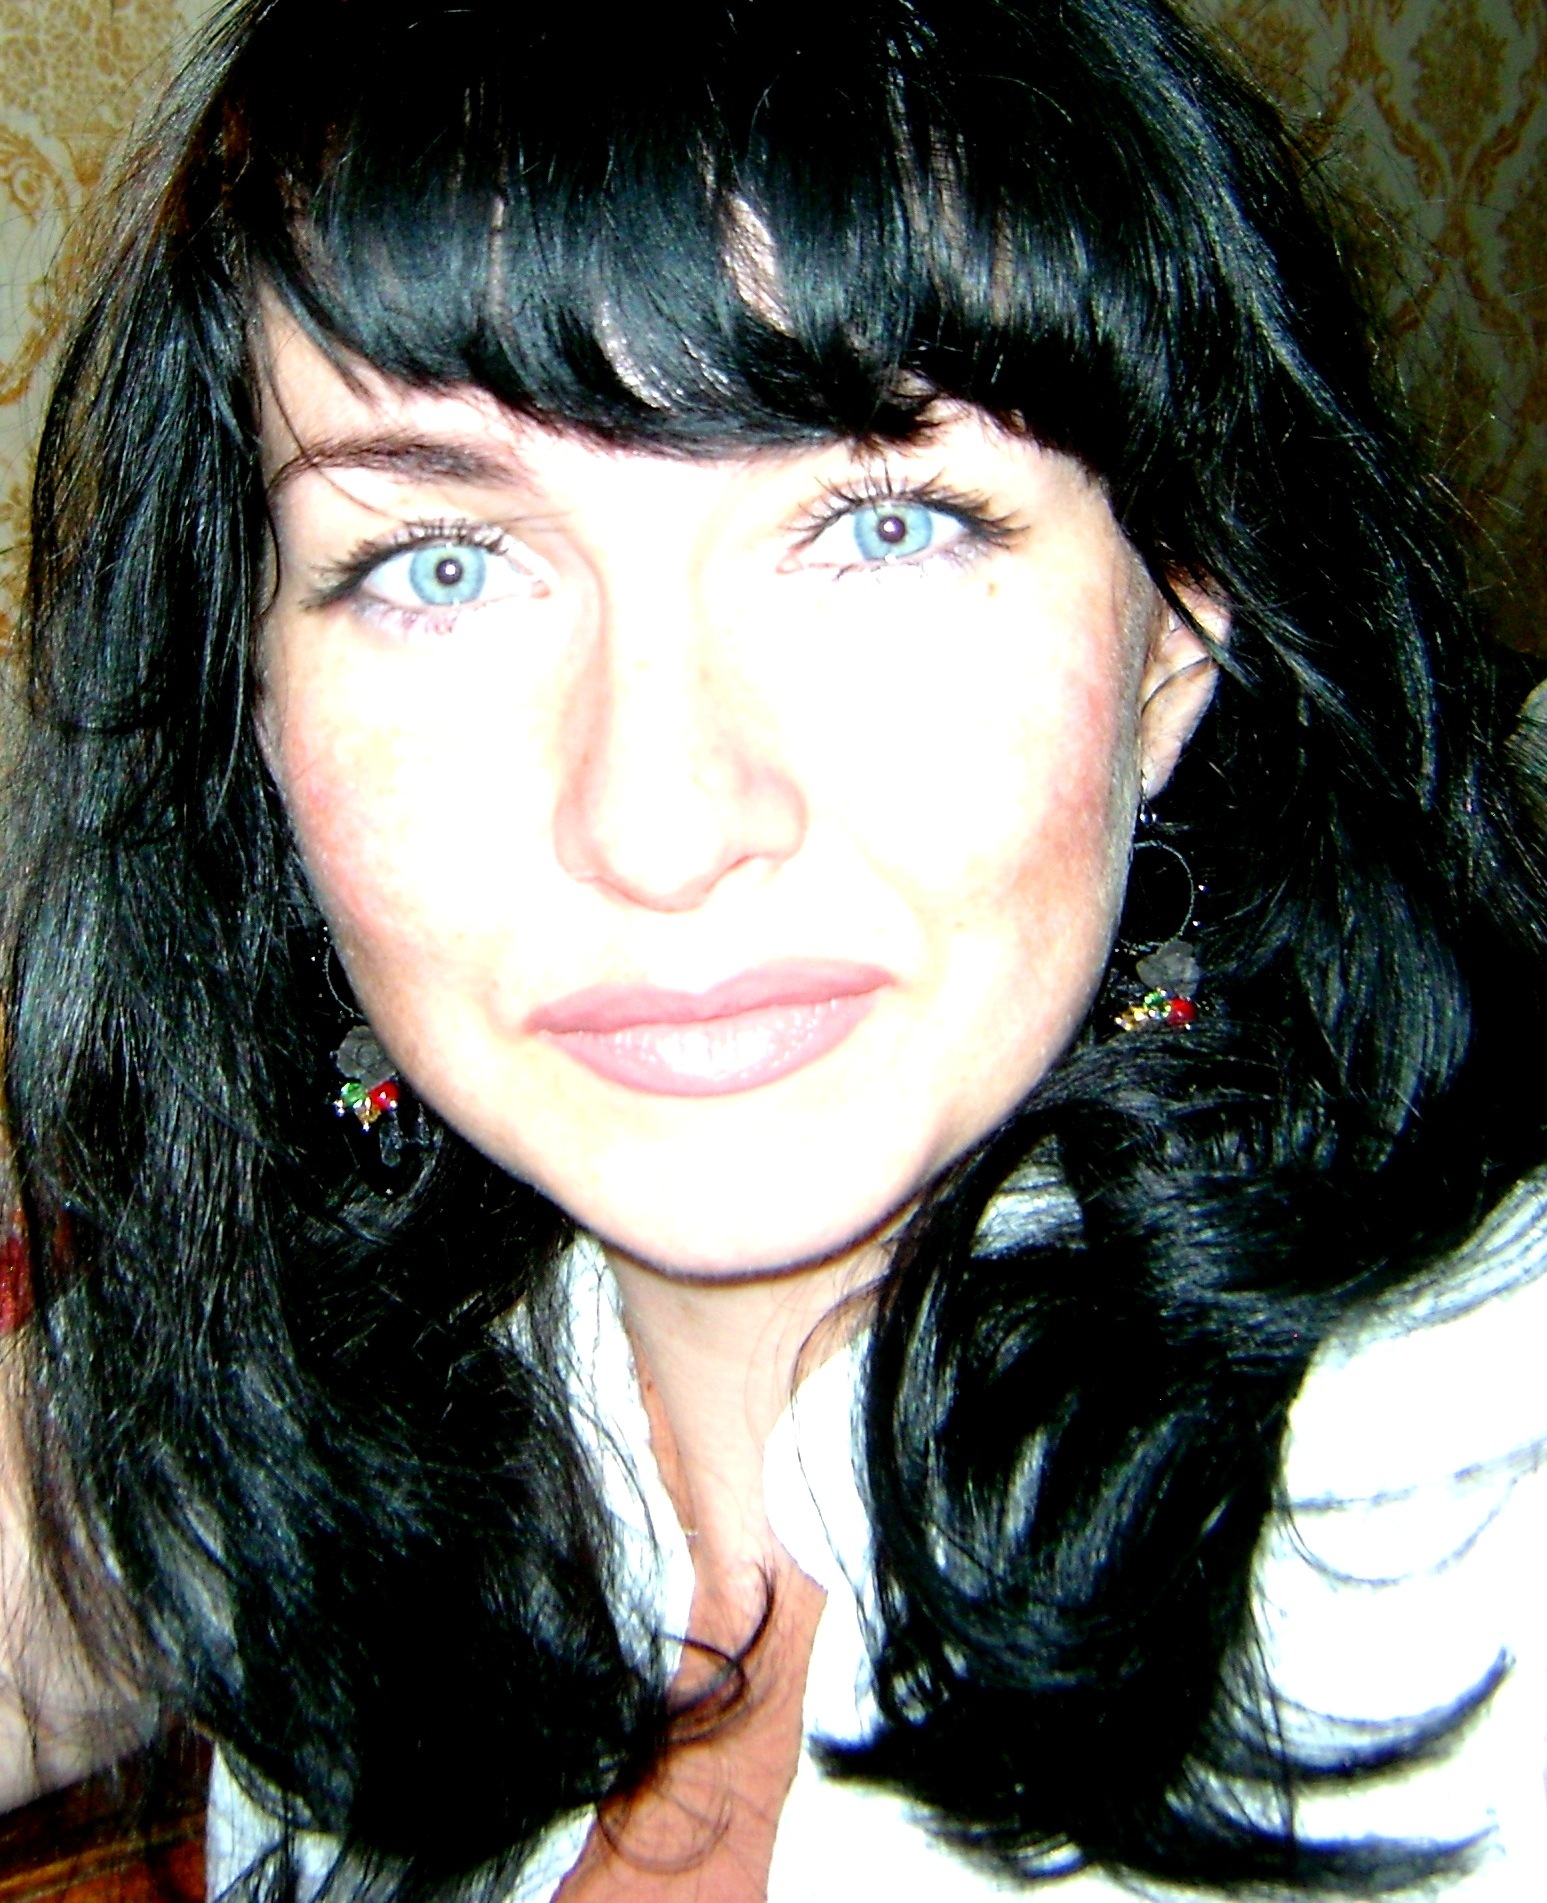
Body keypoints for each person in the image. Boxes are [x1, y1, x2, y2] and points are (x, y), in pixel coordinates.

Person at [4, 0, 1547, 1894]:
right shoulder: (297, 1401)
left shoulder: (1479, 1495)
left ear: (1175, 636)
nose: (663, 825)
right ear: (253, 701)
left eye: (885, 526)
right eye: (442, 566)